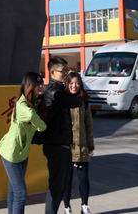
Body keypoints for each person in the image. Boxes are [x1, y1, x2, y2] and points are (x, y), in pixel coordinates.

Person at [0, 72, 48, 214]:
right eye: (38, 85)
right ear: (30, 86)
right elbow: (42, 127)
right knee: (20, 194)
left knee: (13, 191)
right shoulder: (26, 108)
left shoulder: (30, 101)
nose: (41, 87)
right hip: (12, 154)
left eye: (42, 84)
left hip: (22, 152)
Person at [42, 57, 82, 214]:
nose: (66, 74)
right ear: (52, 72)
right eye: (63, 71)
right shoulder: (54, 91)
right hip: (56, 145)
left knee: (60, 185)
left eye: (67, 70)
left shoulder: (58, 90)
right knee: (57, 186)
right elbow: (75, 101)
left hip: (60, 143)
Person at [62, 72, 94, 214]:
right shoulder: (63, 100)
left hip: (81, 146)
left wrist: (90, 145)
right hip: (67, 147)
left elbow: (89, 124)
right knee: (67, 179)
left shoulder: (84, 101)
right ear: (67, 84)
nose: (74, 86)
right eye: (71, 83)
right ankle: (67, 207)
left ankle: (84, 206)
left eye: (77, 83)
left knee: (83, 179)